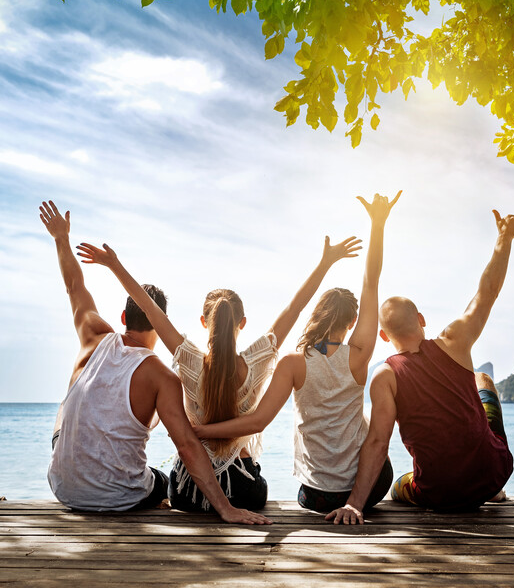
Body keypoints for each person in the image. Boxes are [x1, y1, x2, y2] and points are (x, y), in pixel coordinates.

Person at [76, 232, 362, 512]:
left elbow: (151, 310)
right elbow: (294, 308)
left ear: (204, 322)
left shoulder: (188, 359)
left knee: (159, 481)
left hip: (187, 492)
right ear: (243, 322)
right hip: (244, 489)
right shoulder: (257, 360)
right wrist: (326, 263)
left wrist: (114, 265)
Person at [39, 201, 270, 525]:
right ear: (160, 324)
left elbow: (74, 286)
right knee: (162, 482)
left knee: (65, 418)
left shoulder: (93, 336)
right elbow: (188, 446)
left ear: (122, 318)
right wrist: (226, 510)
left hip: (63, 489)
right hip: (122, 497)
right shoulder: (162, 377)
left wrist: (61, 239)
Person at [193, 193, 401, 513]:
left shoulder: (292, 364)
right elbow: (371, 283)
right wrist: (378, 224)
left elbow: (258, 421)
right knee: (375, 437)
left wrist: (202, 431)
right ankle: (355, 502)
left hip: (317, 496)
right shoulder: (359, 355)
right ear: (352, 322)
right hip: (367, 489)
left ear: (316, 315)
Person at [326, 209, 514, 524]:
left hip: (440, 493)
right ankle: (495, 490)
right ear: (421, 320)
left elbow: (378, 442)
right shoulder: (454, 340)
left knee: (398, 488)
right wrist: (505, 239)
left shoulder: (385, 376)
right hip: (492, 475)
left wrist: (354, 504)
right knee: (483, 379)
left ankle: (454, 486)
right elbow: (487, 293)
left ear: (382, 335)